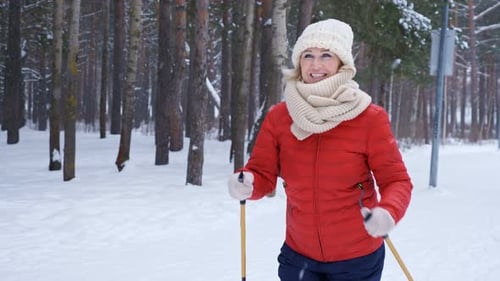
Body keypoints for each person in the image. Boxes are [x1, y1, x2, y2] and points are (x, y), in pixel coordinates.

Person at [227, 18, 413, 281]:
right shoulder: (281, 117)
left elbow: (397, 180)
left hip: (356, 259)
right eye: (308, 55)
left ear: (342, 63)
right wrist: (247, 182)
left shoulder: (369, 118)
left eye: (326, 55)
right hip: (299, 256)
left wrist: (388, 212)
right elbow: (262, 173)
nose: (315, 65)